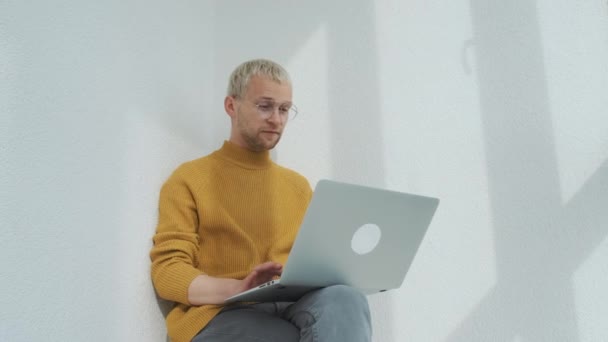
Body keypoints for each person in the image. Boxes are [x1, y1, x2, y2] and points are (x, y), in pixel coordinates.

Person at [150, 59, 372, 342]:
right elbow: (168, 271)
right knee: (287, 337)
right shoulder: (189, 179)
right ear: (232, 106)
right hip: (220, 313)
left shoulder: (298, 186)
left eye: (283, 109)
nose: (276, 119)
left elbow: (315, 263)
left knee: (346, 299)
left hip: (290, 306)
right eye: (264, 106)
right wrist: (236, 288)